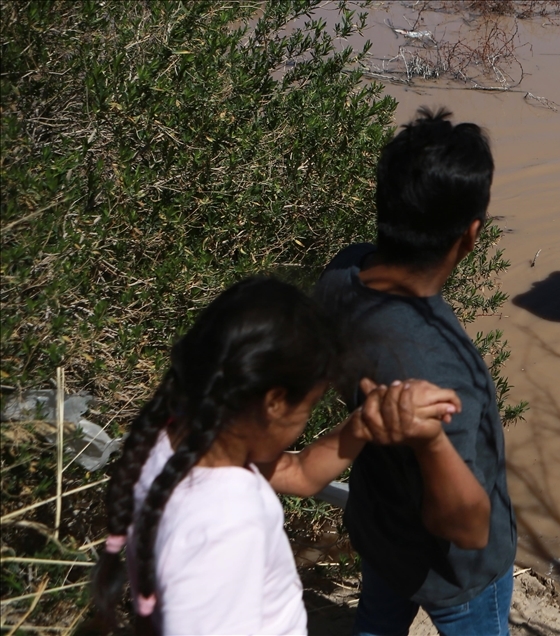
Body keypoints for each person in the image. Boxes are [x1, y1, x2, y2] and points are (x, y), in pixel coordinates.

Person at [90, 277, 459, 636]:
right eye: (309, 407)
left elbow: (300, 473)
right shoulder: (228, 521)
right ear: (275, 402)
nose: (304, 421)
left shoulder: (174, 441)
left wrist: (361, 425)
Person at [314, 106, 516, 636]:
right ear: (470, 236)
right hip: (455, 576)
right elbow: (467, 530)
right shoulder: (442, 369)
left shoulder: (342, 274)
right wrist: (429, 443)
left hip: (379, 525)